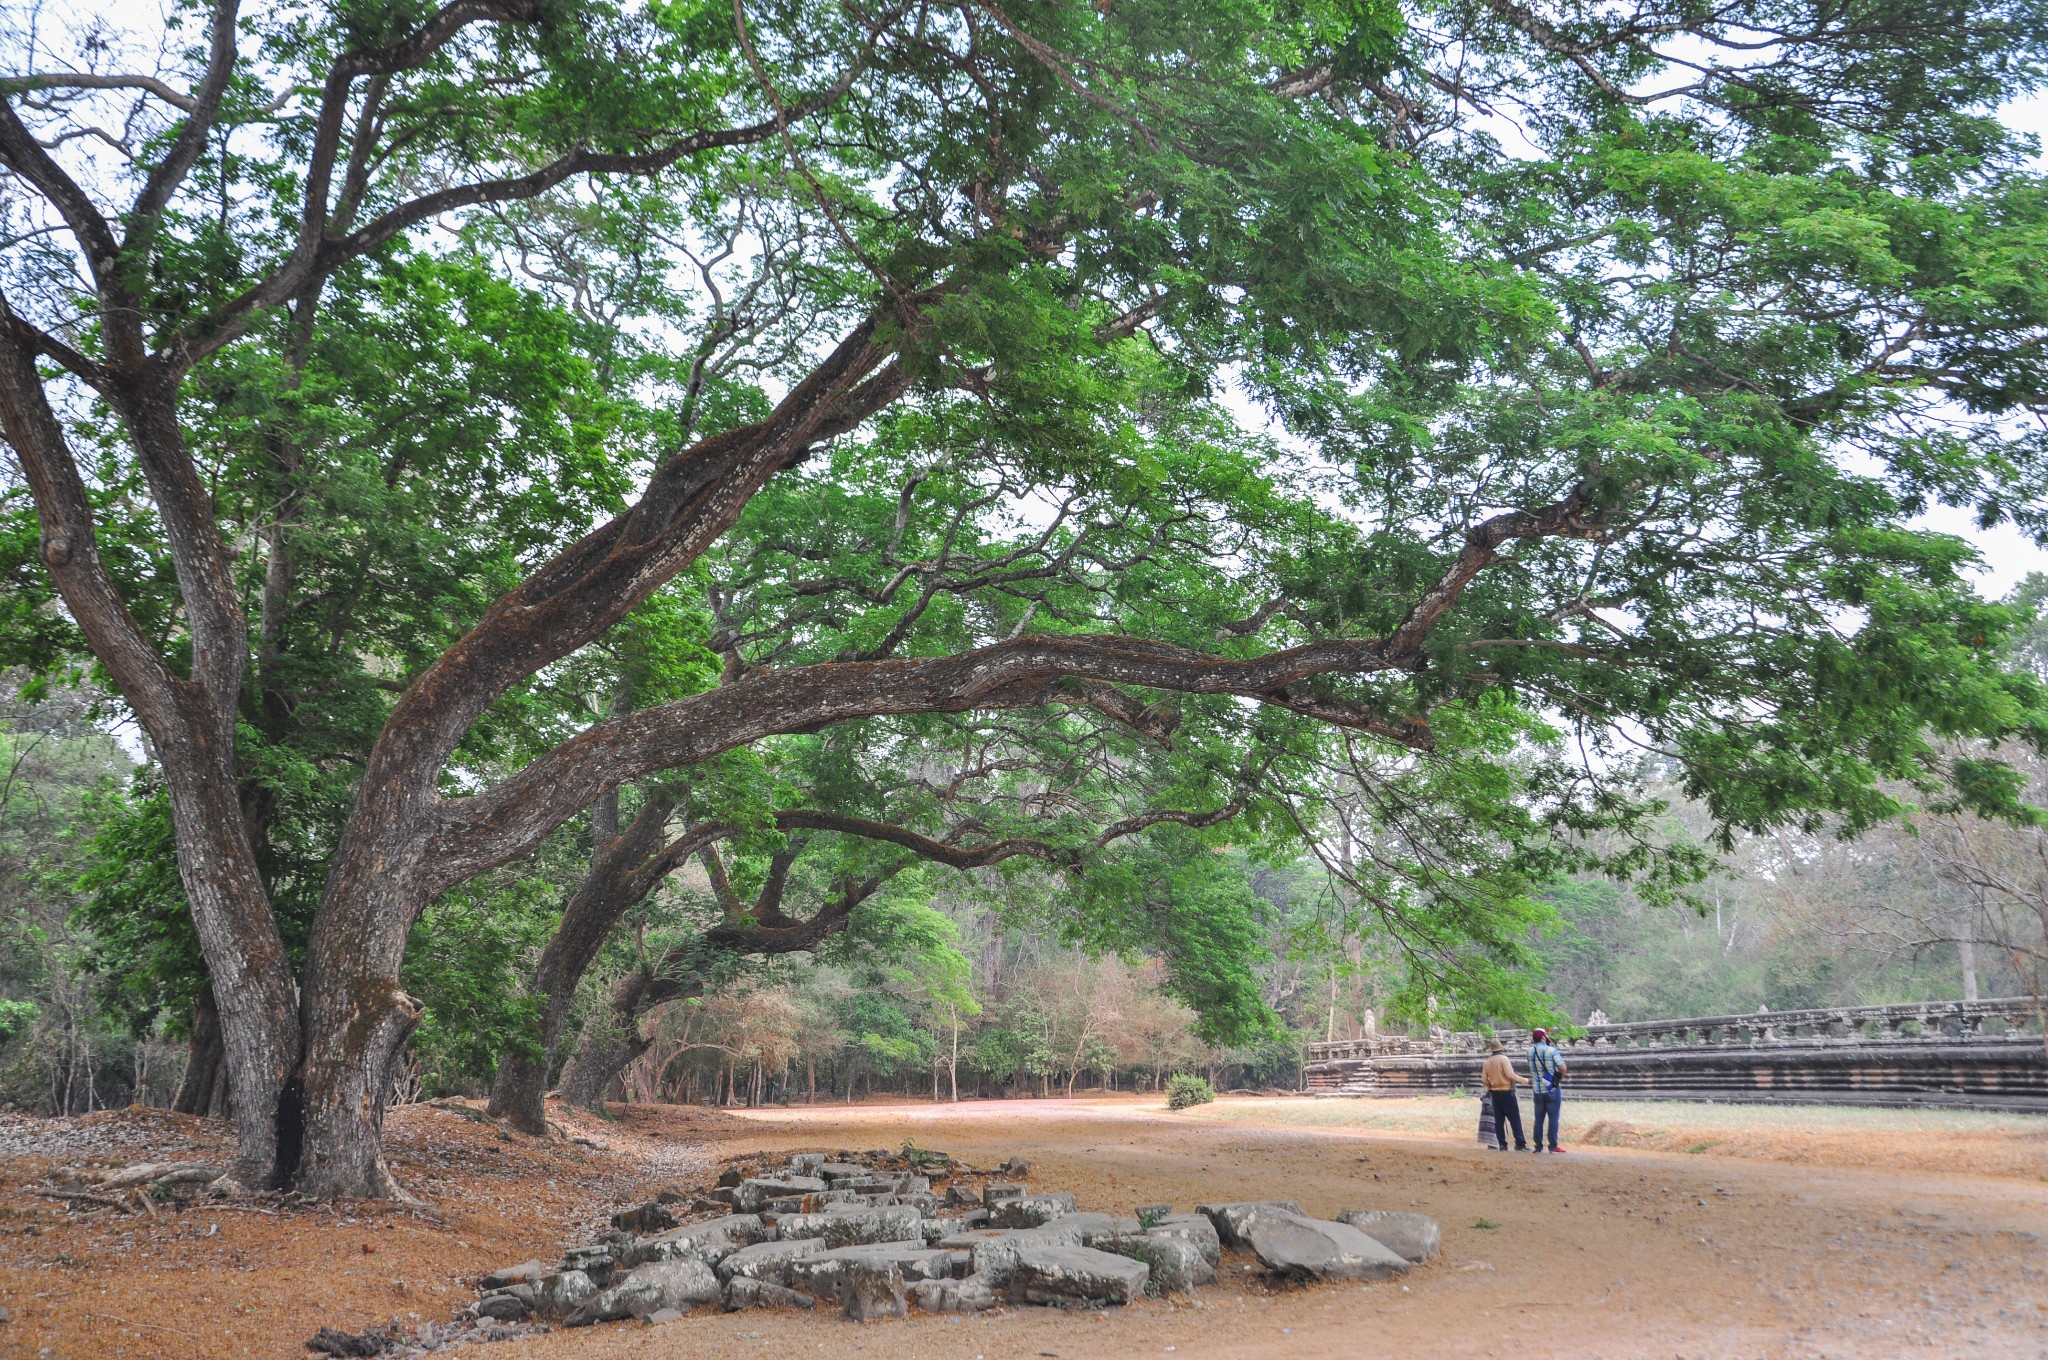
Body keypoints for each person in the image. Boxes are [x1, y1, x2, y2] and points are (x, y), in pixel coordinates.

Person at [1480, 1039, 1529, 1151]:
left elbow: (1484, 1079)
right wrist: (1526, 1080)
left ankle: (1502, 1144)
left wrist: (1491, 1086)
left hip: (1495, 1093)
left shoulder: (1487, 1062)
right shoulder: (1504, 1059)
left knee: (1499, 1120)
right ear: (1501, 1049)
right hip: (1507, 1092)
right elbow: (1510, 1075)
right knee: (1514, 1118)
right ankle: (1520, 1143)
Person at [1528, 1026, 1568, 1153]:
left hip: (1537, 1090)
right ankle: (1552, 1145)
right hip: (1551, 1088)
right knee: (1553, 1117)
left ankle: (1538, 1146)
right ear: (1544, 1037)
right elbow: (1563, 1068)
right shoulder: (1551, 1051)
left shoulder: (1529, 1051)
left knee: (1538, 1118)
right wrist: (1559, 1078)